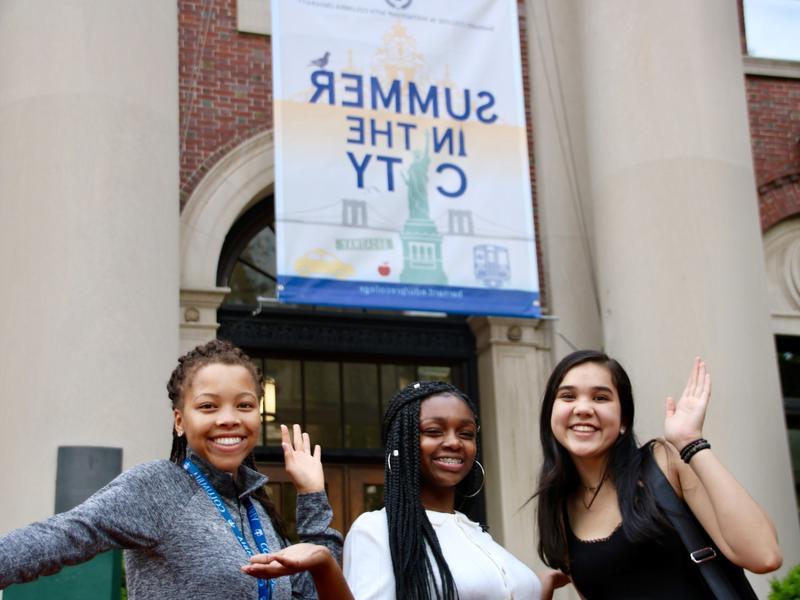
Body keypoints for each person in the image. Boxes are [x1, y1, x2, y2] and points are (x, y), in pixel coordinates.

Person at [0, 339, 343, 599]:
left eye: (244, 405)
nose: (229, 419)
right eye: (208, 406)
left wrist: (311, 495)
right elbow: (61, 536)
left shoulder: (255, 506)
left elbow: (313, 592)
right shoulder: (156, 487)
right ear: (180, 420)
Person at [535, 350, 782, 599]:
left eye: (600, 398)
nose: (583, 408)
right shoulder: (558, 507)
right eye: (568, 396)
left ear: (624, 420)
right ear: (550, 416)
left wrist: (690, 442)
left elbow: (764, 555)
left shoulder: (664, 464)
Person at [340, 380, 567, 600]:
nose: (454, 443)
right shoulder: (376, 530)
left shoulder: (476, 533)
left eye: (466, 434)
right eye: (434, 431)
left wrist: (537, 587)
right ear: (402, 443)